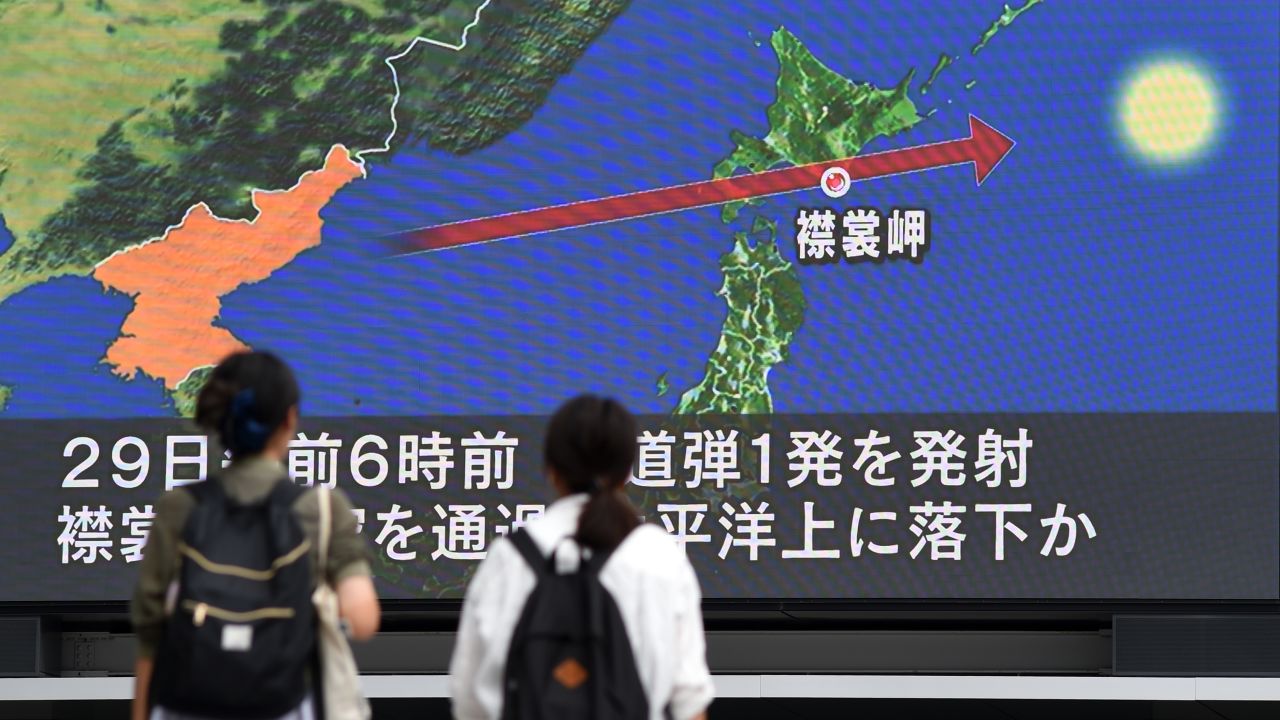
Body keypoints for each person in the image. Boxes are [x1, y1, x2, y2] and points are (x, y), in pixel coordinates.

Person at [131, 351, 380, 720]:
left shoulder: (178, 507)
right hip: (285, 704)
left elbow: (151, 631)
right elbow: (363, 620)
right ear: (289, 419)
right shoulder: (322, 509)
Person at [450, 395, 714, 720]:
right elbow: (689, 701)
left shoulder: (510, 557)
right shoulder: (660, 556)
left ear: (551, 469)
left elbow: (469, 700)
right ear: (628, 471)